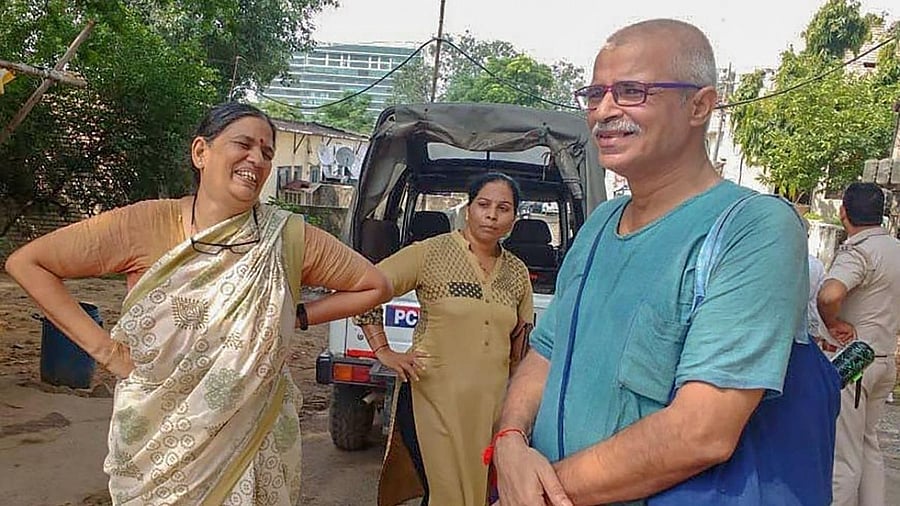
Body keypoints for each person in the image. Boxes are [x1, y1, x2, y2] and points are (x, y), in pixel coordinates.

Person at [489, 19, 838, 506]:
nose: (604, 112)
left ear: (699, 105)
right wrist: (509, 441)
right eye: (595, 94)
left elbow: (702, 431)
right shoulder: (599, 224)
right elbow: (545, 353)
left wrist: (535, 495)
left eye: (631, 92)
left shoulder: (753, 228)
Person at [4, 102, 392, 505]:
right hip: (157, 437)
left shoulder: (288, 238)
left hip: (251, 435)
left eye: (267, 152)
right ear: (200, 153)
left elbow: (373, 285)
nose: (256, 159)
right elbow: (28, 264)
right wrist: (109, 353)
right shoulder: (145, 224)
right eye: (243, 144)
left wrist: (298, 314)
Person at [354, 172, 534, 506]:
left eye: (503, 208)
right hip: (432, 399)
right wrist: (383, 350)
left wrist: (518, 407)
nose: (492, 215)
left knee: (482, 493)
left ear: (514, 218)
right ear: (468, 209)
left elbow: (519, 346)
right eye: (483, 204)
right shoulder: (430, 254)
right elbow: (366, 287)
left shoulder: (517, 273)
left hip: (489, 408)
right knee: (445, 493)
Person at [817, 182, 900, 506]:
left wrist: (835, 322)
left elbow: (829, 294)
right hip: (883, 357)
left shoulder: (859, 251)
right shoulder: (895, 249)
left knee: (843, 454)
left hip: (854, 361)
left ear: (843, 213)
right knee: (869, 447)